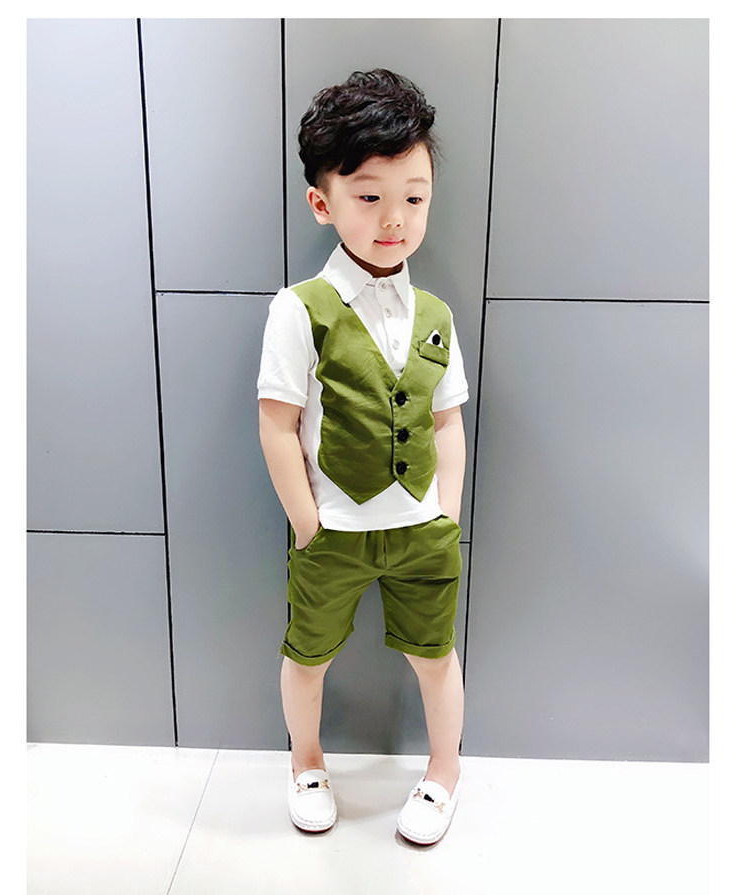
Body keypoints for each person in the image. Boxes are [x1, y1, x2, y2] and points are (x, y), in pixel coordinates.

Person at [257, 69, 469, 845]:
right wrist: (306, 522)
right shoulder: (300, 309)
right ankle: (305, 763)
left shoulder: (435, 312)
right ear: (323, 203)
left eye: (413, 197)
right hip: (332, 531)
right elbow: (277, 424)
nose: (394, 218)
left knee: (435, 654)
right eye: (369, 196)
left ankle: (443, 770)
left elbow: (446, 420)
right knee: (307, 654)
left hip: (420, 529)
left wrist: (445, 515)